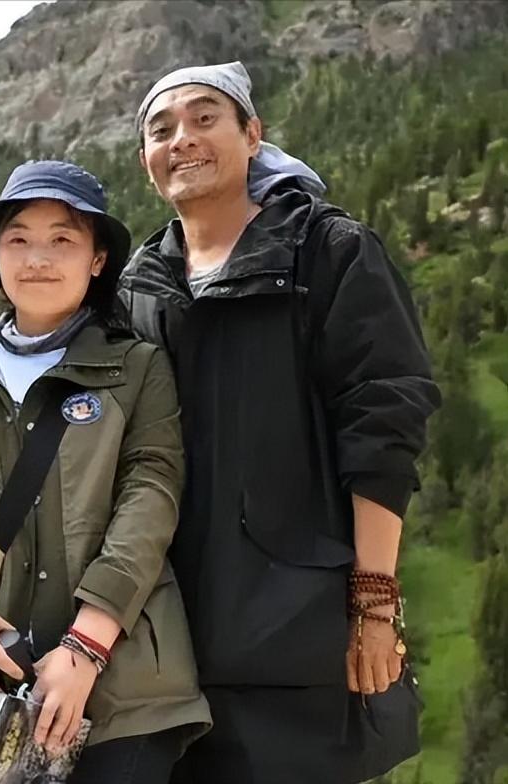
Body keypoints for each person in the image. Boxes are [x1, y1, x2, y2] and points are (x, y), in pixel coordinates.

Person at [118, 62, 441, 783]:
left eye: (205, 118)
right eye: (161, 129)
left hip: (297, 641)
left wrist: (374, 601)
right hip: (165, 650)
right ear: (145, 161)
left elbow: (383, 422)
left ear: (252, 134)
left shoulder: (329, 251)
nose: (182, 139)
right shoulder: (139, 286)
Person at [0, 160, 212, 784]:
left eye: (62, 239)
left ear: (97, 260)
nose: (38, 258)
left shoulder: (138, 369)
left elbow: (150, 496)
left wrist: (87, 644)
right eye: (19, 239)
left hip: (125, 687)